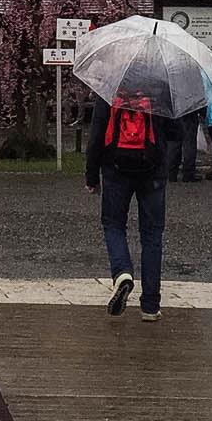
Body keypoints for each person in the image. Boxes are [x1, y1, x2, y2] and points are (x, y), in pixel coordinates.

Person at [85, 92, 166, 321]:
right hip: (153, 170)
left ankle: (122, 272)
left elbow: (97, 135)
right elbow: (174, 133)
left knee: (113, 224)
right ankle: (150, 306)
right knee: (152, 234)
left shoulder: (109, 89)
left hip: (115, 168)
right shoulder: (159, 89)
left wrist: (91, 177)